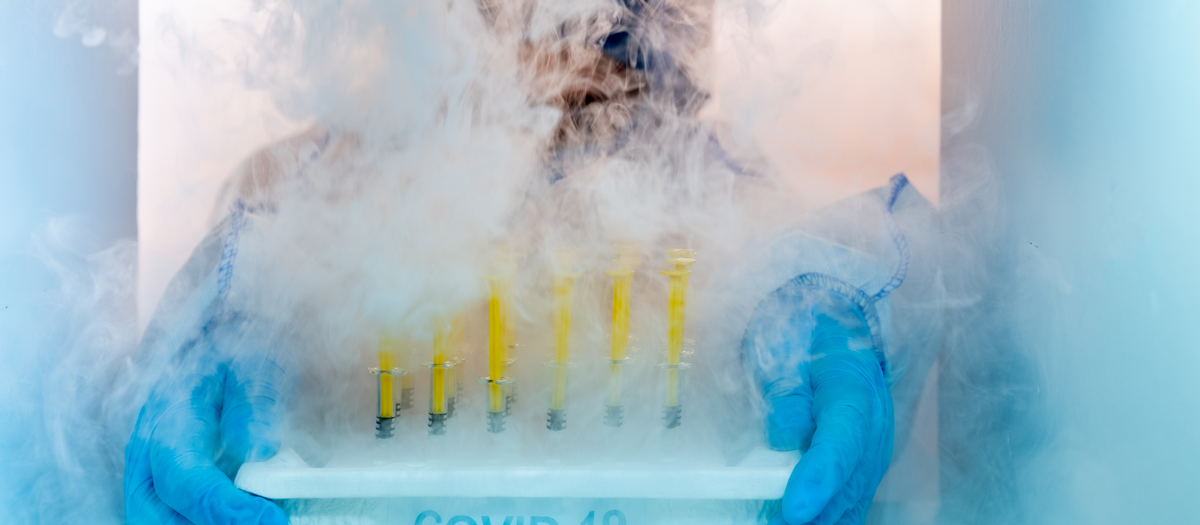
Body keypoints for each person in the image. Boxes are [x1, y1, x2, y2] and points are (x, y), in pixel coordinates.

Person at [124, 1, 941, 524]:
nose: (563, 87)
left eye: (607, 65)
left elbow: (868, 301)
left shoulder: (732, 204)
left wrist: (820, 308)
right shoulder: (283, 197)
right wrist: (233, 320)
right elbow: (133, 398)